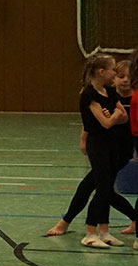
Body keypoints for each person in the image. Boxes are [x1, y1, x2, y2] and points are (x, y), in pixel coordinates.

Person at [46, 58, 133, 238]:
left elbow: (121, 119)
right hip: (106, 146)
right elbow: (93, 121)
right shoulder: (105, 94)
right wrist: (83, 138)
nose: (124, 80)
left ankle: (78, 224)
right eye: (119, 76)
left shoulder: (129, 96)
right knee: (98, 187)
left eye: (128, 77)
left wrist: (115, 116)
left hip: (122, 150)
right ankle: (86, 226)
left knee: (100, 188)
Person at [75, 53, 138, 249]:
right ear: (102, 72)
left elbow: (124, 116)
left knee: (107, 187)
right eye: (113, 70)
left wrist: (114, 115)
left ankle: (104, 231)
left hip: (111, 146)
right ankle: (90, 232)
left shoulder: (109, 92)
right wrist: (113, 116)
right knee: (102, 189)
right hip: (97, 145)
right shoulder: (89, 95)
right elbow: (106, 123)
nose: (114, 74)